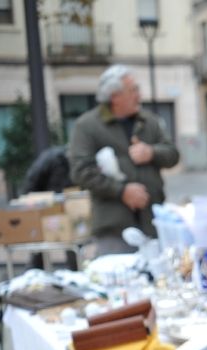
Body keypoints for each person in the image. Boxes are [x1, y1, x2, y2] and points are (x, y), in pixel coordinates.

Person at [69, 64, 179, 256]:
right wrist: (122, 192)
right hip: (114, 230)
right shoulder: (87, 126)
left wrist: (151, 152)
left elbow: (173, 155)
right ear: (115, 97)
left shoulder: (149, 121)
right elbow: (81, 172)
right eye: (133, 90)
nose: (139, 95)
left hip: (152, 224)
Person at [22, 145, 79, 270]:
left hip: (61, 203)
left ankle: (75, 271)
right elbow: (32, 179)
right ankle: (34, 272)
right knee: (39, 241)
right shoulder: (52, 158)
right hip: (42, 203)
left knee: (70, 238)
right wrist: (30, 200)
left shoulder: (71, 164)